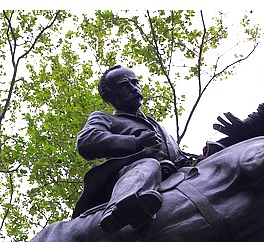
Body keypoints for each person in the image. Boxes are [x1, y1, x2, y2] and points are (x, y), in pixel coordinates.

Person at [73, 65, 195, 232]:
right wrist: (136, 142)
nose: (133, 88)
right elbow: (87, 141)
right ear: (109, 95)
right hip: (131, 174)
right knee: (149, 165)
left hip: (171, 176)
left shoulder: (156, 125)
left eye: (135, 82)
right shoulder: (104, 118)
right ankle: (120, 207)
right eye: (124, 85)